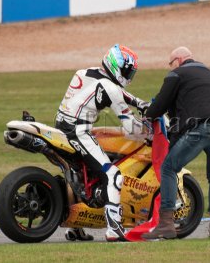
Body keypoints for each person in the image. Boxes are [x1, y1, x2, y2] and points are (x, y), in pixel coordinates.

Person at [55, 44, 149, 242]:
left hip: (61, 127)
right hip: (78, 131)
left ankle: (75, 228)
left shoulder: (85, 72)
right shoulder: (110, 88)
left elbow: (112, 90)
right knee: (113, 175)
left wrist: (140, 103)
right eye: (127, 71)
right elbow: (130, 126)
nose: (129, 75)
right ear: (116, 66)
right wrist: (148, 133)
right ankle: (114, 229)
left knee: (81, 175)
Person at [141, 47, 210, 240]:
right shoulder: (207, 72)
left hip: (202, 127)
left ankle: (166, 223)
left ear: (179, 59)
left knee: (168, 167)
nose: (170, 67)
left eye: (170, 63)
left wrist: (147, 116)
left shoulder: (177, 73)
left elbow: (160, 103)